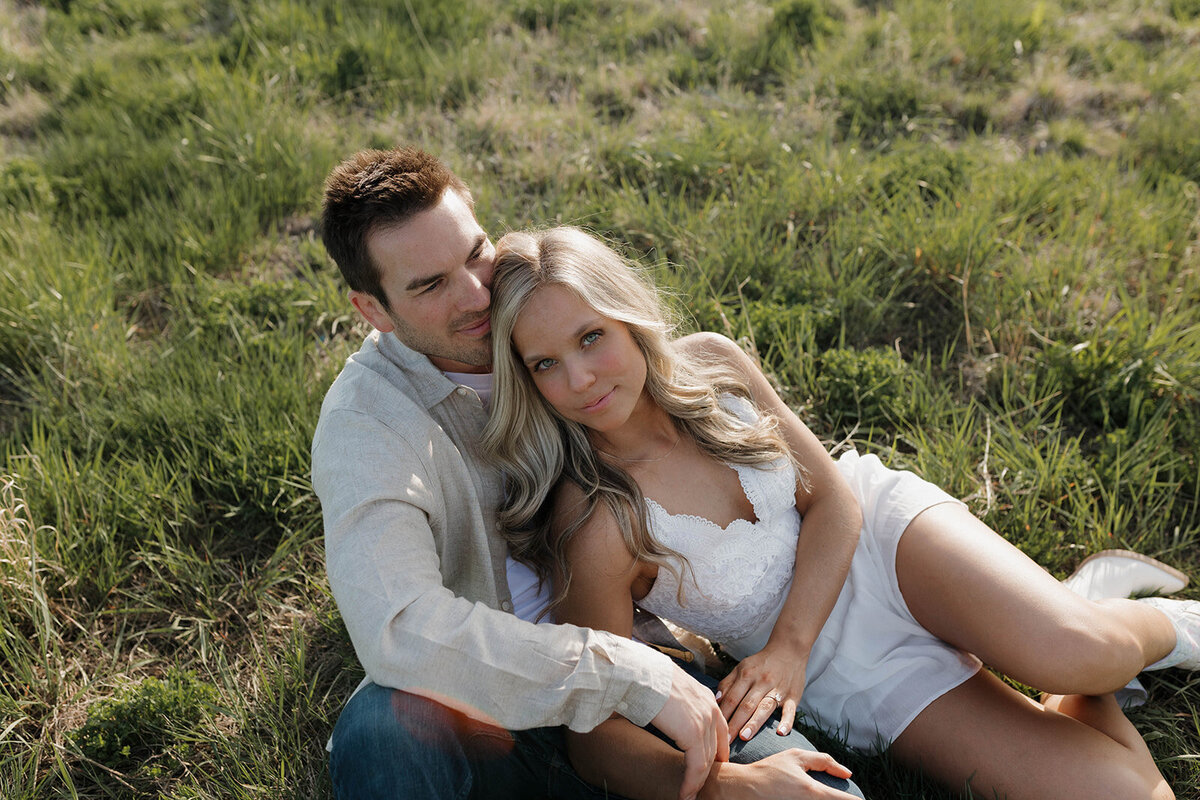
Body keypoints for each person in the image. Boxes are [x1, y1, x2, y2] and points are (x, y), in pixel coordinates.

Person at [481, 225, 1200, 800]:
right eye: (542, 364)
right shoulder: (599, 521)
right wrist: (723, 787)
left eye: (590, 337)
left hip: (884, 543)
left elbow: (831, 499)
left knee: (1082, 651)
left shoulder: (713, 364)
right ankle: (1075, 634)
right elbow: (594, 728)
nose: (578, 380)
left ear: (628, 314)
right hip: (847, 669)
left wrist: (785, 649)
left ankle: (1151, 627)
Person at [312, 146, 867, 800]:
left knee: (816, 794)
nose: (475, 294)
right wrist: (619, 674)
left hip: (648, 666)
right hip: (490, 709)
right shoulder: (365, 427)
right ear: (372, 310)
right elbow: (398, 630)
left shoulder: (540, 323)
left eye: (474, 253)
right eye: (430, 285)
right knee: (382, 730)